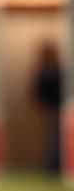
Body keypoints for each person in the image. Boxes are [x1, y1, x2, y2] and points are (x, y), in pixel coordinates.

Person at [32, 42, 62, 173]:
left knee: (57, 139)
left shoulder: (60, 71)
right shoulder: (43, 72)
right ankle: (52, 165)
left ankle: (55, 165)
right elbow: (37, 91)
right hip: (49, 110)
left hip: (59, 109)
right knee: (52, 139)